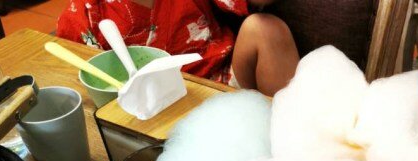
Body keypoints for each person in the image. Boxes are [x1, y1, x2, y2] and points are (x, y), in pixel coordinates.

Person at [56, 0, 299, 96]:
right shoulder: (85, 14)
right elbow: (81, 83)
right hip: (153, 106)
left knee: (265, 29)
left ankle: (295, 135)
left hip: (222, 82)